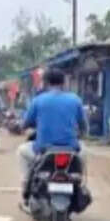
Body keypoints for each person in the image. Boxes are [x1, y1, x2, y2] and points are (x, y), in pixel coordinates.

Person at [17, 69, 87, 209]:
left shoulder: (38, 100)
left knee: (21, 151)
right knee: (83, 153)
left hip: (43, 150)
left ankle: (25, 185)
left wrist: (26, 126)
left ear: (46, 83)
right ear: (64, 82)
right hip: (70, 149)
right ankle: (80, 183)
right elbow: (83, 125)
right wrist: (81, 134)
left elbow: (25, 123)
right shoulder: (75, 100)